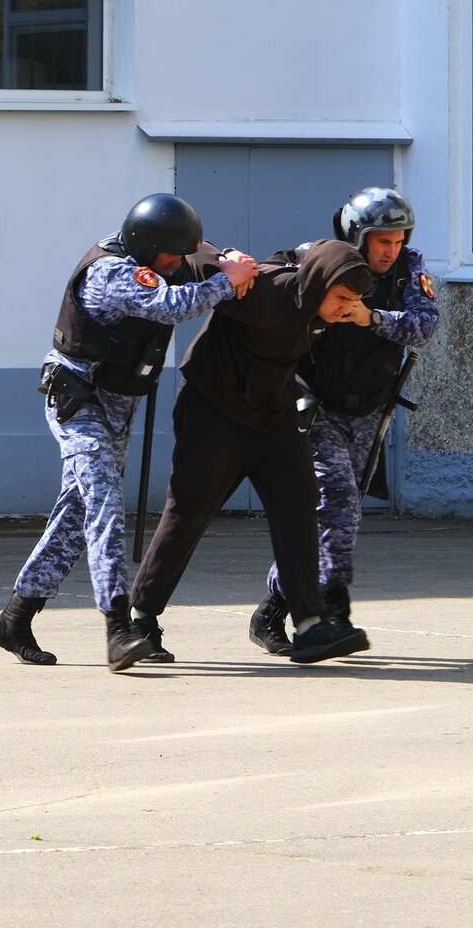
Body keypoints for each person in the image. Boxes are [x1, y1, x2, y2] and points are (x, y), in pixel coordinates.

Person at [0, 194, 258, 673]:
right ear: (148, 245)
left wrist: (226, 258)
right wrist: (226, 280)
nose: (177, 264)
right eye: (171, 256)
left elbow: (195, 258)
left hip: (117, 402)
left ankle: (15, 618)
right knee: (105, 503)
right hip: (79, 400)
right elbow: (174, 303)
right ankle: (118, 627)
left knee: (77, 513)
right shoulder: (111, 272)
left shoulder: (155, 252)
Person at [128, 239, 376, 665]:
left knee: (300, 507)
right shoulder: (264, 293)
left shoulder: (318, 299)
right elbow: (195, 254)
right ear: (319, 286)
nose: (346, 310)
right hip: (214, 411)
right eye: (341, 299)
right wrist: (224, 260)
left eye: (354, 301)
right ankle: (140, 620)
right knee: (189, 512)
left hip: (273, 415)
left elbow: (303, 253)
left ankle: (311, 627)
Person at [249, 188, 439, 655]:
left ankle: (273, 607)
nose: (390, 251)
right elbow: (271, 290)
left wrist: (368, 316)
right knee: (338, 503)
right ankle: (332, 610)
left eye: (397, 241)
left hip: (369, 409)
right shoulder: (320, 259)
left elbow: (425, 327)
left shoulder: (411, 268)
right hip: (317, 406)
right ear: (358, 236)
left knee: (335, 514)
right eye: (382, 242)